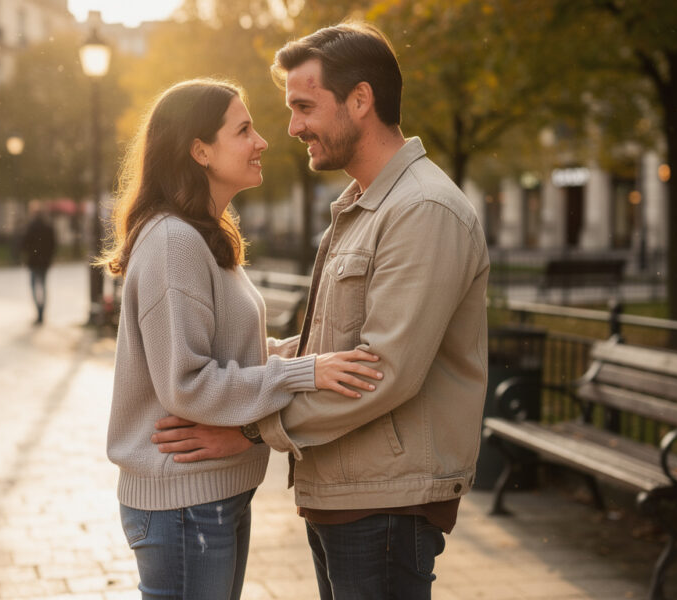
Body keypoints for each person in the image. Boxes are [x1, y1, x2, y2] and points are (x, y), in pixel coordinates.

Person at [151, 23, 490, 599]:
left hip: (385, 501)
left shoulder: (422, 209)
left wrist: (253, 431)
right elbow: (329, 350)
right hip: (347, 490)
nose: (292, 127)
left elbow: (383, 370)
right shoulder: (364, 205)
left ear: (361, 100)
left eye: (305, 106)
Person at [99, 79, 382, 600]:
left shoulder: (203, 234)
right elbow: (186, 383)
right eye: (243, 130)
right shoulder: (173, 242)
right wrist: (304, 372)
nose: (263, 142)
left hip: (211, 494)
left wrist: (308, 354)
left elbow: (231, 355)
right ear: (200, 150)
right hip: (183, 502)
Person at [20, 200, 56, 324]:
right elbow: (53, 244)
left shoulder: (31, 226)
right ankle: (42, 311)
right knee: (44, 286)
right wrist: (50, 257)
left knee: (34, 286)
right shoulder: (48, 226)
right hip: (44, 261)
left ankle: (38, 311)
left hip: (33, 261)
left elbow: (25, 243)